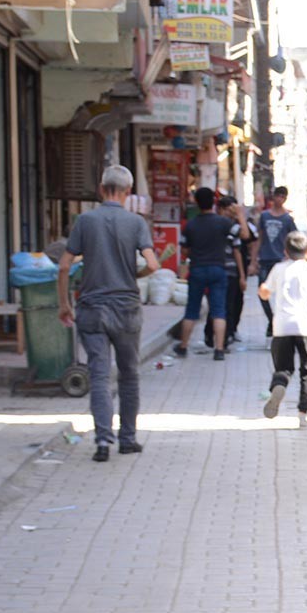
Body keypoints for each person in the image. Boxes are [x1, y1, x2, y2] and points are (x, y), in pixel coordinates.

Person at [56, 165, 160, 462]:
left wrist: (65, 304)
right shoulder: (136, 222)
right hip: (126, 308)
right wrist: (133, 274)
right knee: (129, 375)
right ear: (127, 193)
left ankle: (103, 441)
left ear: (102, 190)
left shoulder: (85, 221)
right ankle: (127, 439)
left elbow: (64, 265)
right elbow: (153, 265)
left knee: (99, 376)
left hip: (92, 309)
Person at [258, 231, 307, 421]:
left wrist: (263, 291)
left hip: (282, 327)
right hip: (306, 327)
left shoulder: (278, 268)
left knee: (283, 368)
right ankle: (302, 415)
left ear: (285, 251)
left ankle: (279, 386)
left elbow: (265, 293)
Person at [174, 187, 239, 361]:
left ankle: (183, 346)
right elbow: (239, 238)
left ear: (197, 203)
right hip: (219, 269)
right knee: (219, 310)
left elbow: (185, 250)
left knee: (192, 310)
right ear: (214, 202)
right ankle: (219, 349)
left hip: (197, 269)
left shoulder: (191, 224)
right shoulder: (223, 223)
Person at [205, 192, 253, 351]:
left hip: (224, 270)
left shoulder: (224, 225)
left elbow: (239, 249)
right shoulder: (225, 225)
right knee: (221, 307)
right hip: (219, 270)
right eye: (229, 210)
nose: (231, 213)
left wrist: (242, 275)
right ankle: (219, 340)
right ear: (220, 209)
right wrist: (240, 216)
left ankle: (220, 337)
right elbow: (243, 238)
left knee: (225, 306)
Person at [255, 187, 299, 336]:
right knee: (262, 293)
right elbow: (259, 238)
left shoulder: (288, 219)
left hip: (281, 261)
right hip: (265, 260)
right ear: (273, 197)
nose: (279, 199)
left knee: (282, 294)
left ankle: (276, 324)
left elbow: (294, 239)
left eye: (283, 196)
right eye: (277, 196)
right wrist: (253, 260)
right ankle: (271, 319)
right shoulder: (264, 216)